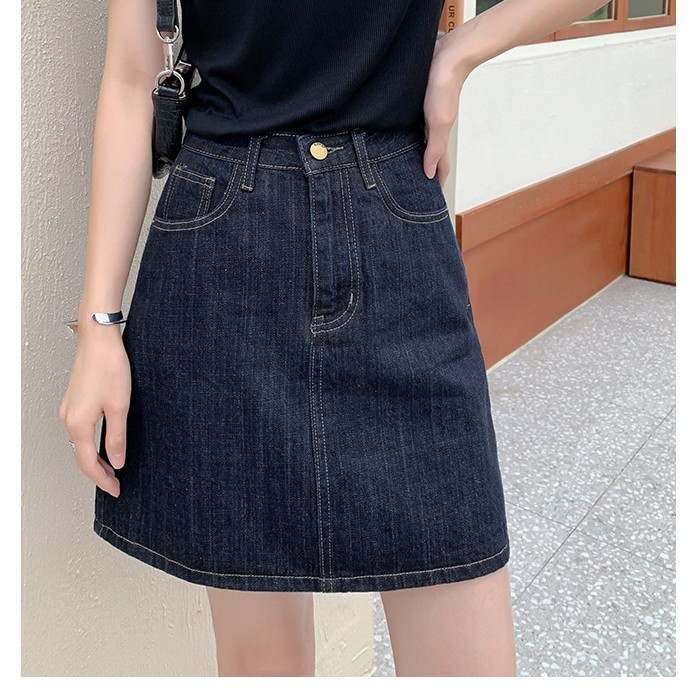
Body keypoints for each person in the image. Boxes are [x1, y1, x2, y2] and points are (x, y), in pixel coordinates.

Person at [59, 0, 607, 677]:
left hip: (393, 220)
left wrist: (462, 52)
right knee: (263, 664)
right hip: (226, 237)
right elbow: (129, 80)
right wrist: (99, 330)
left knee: (467, 650)